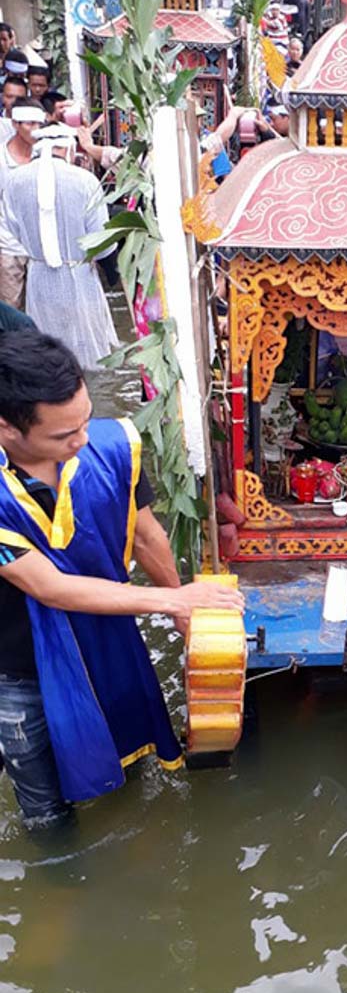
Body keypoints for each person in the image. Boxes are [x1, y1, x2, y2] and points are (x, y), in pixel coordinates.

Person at [0, 332, 244, 828]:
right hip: (23, 670)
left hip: (107, 638)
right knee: (46, 811)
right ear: (7, 428)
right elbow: (50, 587)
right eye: (63, 436)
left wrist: (182, 606)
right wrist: (169, 602)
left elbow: (147, 537)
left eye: (85, 420)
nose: (82, 441)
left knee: (129, 764)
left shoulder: (111, 447)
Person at [3, 123, 119, 368]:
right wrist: (113, 274)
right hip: (80, 277)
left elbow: (11, 230)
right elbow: (103, 241)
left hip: (39, 279)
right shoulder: (85, 181)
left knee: (47, 350)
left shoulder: (14, 182)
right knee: (90, 354)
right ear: (68, 148)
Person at [0, 99, 45, 308]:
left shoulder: (44, 156)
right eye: (29, 124)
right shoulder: (1, 159)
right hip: (8, 246)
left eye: (39, 124)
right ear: (15, 124)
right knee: (11, 307)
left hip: (40, 247)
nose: (35, 130)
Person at [0, 75, 27, 142]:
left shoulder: (34, 124)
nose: (14, 101)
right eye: (9, 97)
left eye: (19, 98)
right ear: (2, 97)